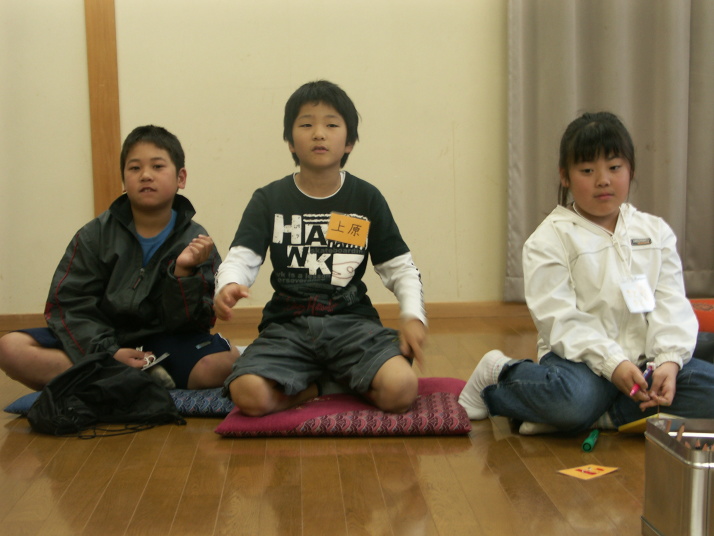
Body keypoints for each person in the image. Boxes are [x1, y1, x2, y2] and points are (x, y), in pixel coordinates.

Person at [458, 111, 714, 435]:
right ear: (565, 176)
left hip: (644, 361)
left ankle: (599, 418)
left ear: (631, 170)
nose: (603, 180)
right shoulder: (549, 239)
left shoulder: (656, 232)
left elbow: (671, 304)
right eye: (588, 170)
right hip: (581, 363)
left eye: (614, 167)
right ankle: (500, 373)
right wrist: (613, 364)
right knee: (573, 400)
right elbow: (560, 321)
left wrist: (669, 362)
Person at [214, 80, 426, 416]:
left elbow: (399, 268)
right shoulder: (269, 198)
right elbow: (241, 257)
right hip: (288, 327)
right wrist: (228, 284)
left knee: (401, 389)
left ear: (349, 142)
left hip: (352, 325)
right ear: (290, 141)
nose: (318, 134)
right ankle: (324, 386)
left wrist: (413, 316)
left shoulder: (366, 197)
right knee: (248, 393)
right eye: (306, 125)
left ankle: (327, 377)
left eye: (331, 125)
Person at [0, 125, 240, 391]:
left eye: (157, 166)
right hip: (100, 343)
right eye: (135, 168)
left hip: (164, 347)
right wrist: (109, 352)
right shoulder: (95, 235)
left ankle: (111, 382)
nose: (145, 175)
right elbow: (69, 305)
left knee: (224, 363)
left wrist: (183, 274)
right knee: (11, 347)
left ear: (180, 178)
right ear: (124, 181)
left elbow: (197, 323)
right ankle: (133, 379)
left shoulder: (195, 241)